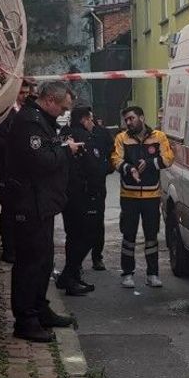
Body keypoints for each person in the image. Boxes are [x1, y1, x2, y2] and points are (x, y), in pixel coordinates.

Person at [5, 81, 81, 342]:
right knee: (30, 263)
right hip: (29, 203)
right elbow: (42, 160)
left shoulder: (42, 121)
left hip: (43, 203)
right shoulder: (29, 122)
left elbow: (49, 148)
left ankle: (39, 309)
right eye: (62, 107)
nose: (63, 113)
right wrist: (65, 150)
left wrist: (60, 144)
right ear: (49, 100)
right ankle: (26, 320)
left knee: (44, 260)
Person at [111, 106, 174, 289]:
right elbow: (115, 159)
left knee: (151, 236)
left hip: (151, 195)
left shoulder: (159, 137)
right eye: (126, 120)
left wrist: (150, 163)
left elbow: (168, 158)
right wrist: (129, 168)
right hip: (129, 195)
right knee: (128, 235)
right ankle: (127, 273)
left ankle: (152, 274)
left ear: (142, 118)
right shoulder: (121, 138)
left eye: (131, 118)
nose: (128, 122)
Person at [55, 105, 105, 295]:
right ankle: (68, 275)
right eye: (90, 119)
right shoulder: (84, 138)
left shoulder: (64, 135)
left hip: (67, 193)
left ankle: (73, 277)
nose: (92, 123)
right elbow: (94, 167)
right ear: (84, 119)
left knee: (73, 236)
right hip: (83, 194)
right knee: (87, 235)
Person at [0, 80, 34, 263]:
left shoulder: (27, 112)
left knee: (22, 211)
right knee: (9, 212)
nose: (24, 96)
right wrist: (15, 146)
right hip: (7, 172)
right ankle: (9, 250)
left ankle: (21, 246)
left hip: (24, 173)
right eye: (21, 93)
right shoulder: (3, 113)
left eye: (27, 93)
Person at [89, 117, 115, 270]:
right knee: (76, 226)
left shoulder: (101, 133)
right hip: (76, 187)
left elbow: (112, 151)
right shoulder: (70, 133)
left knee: (98, 222)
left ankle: (97, 257)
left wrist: (107, 169)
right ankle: (75, 262)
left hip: (97, 184)